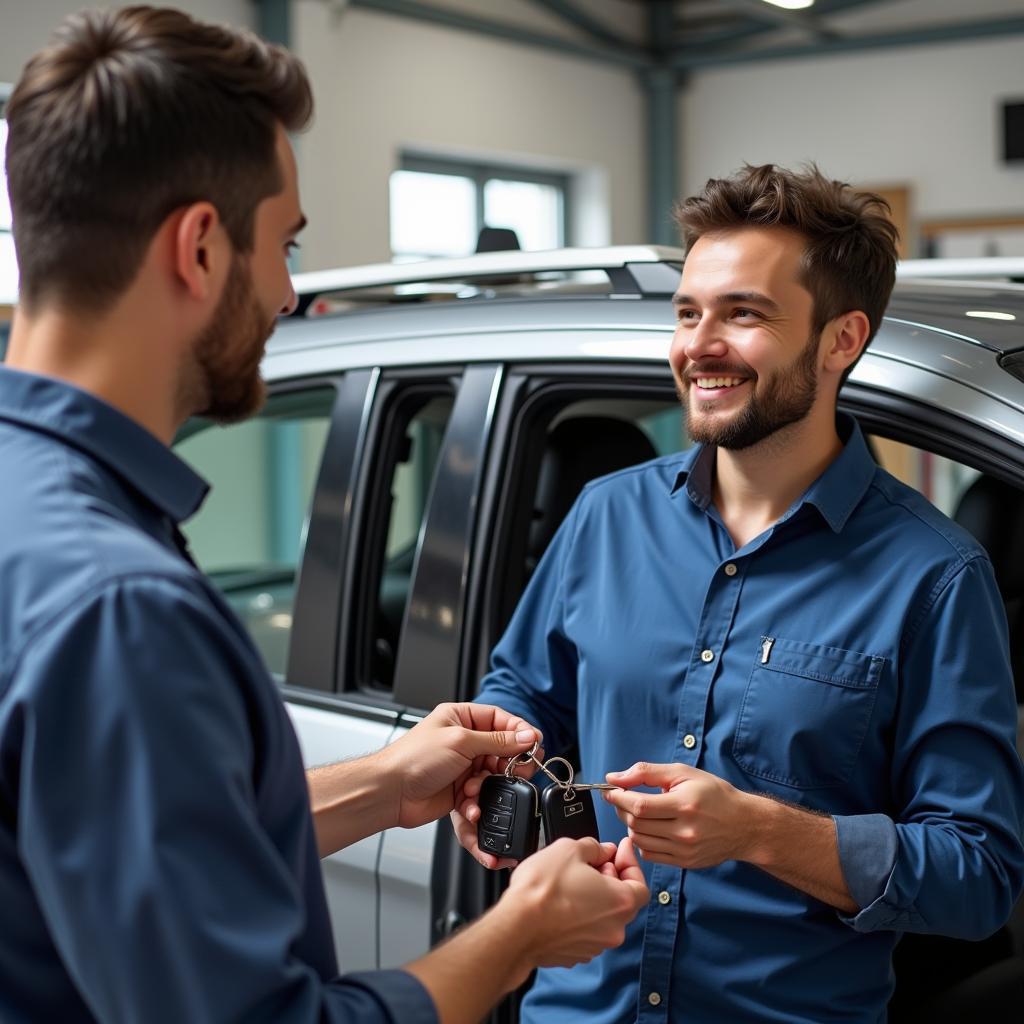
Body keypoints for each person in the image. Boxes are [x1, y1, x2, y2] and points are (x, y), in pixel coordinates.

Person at [0, 7, 649, 1023]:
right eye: (284, 246)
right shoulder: (119, 607)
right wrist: (518, 935)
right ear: (201, 248)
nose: (291, 294)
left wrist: (386, 783)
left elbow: (113, 856)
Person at [458, 164, 1024, 1021]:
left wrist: (762, 832)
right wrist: (491, 767)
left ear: (841, 340)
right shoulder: (604, 516)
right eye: (688, 313)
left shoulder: (934, 578)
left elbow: (978, 875)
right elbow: (523, 693)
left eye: (744, 313)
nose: (698, 345)